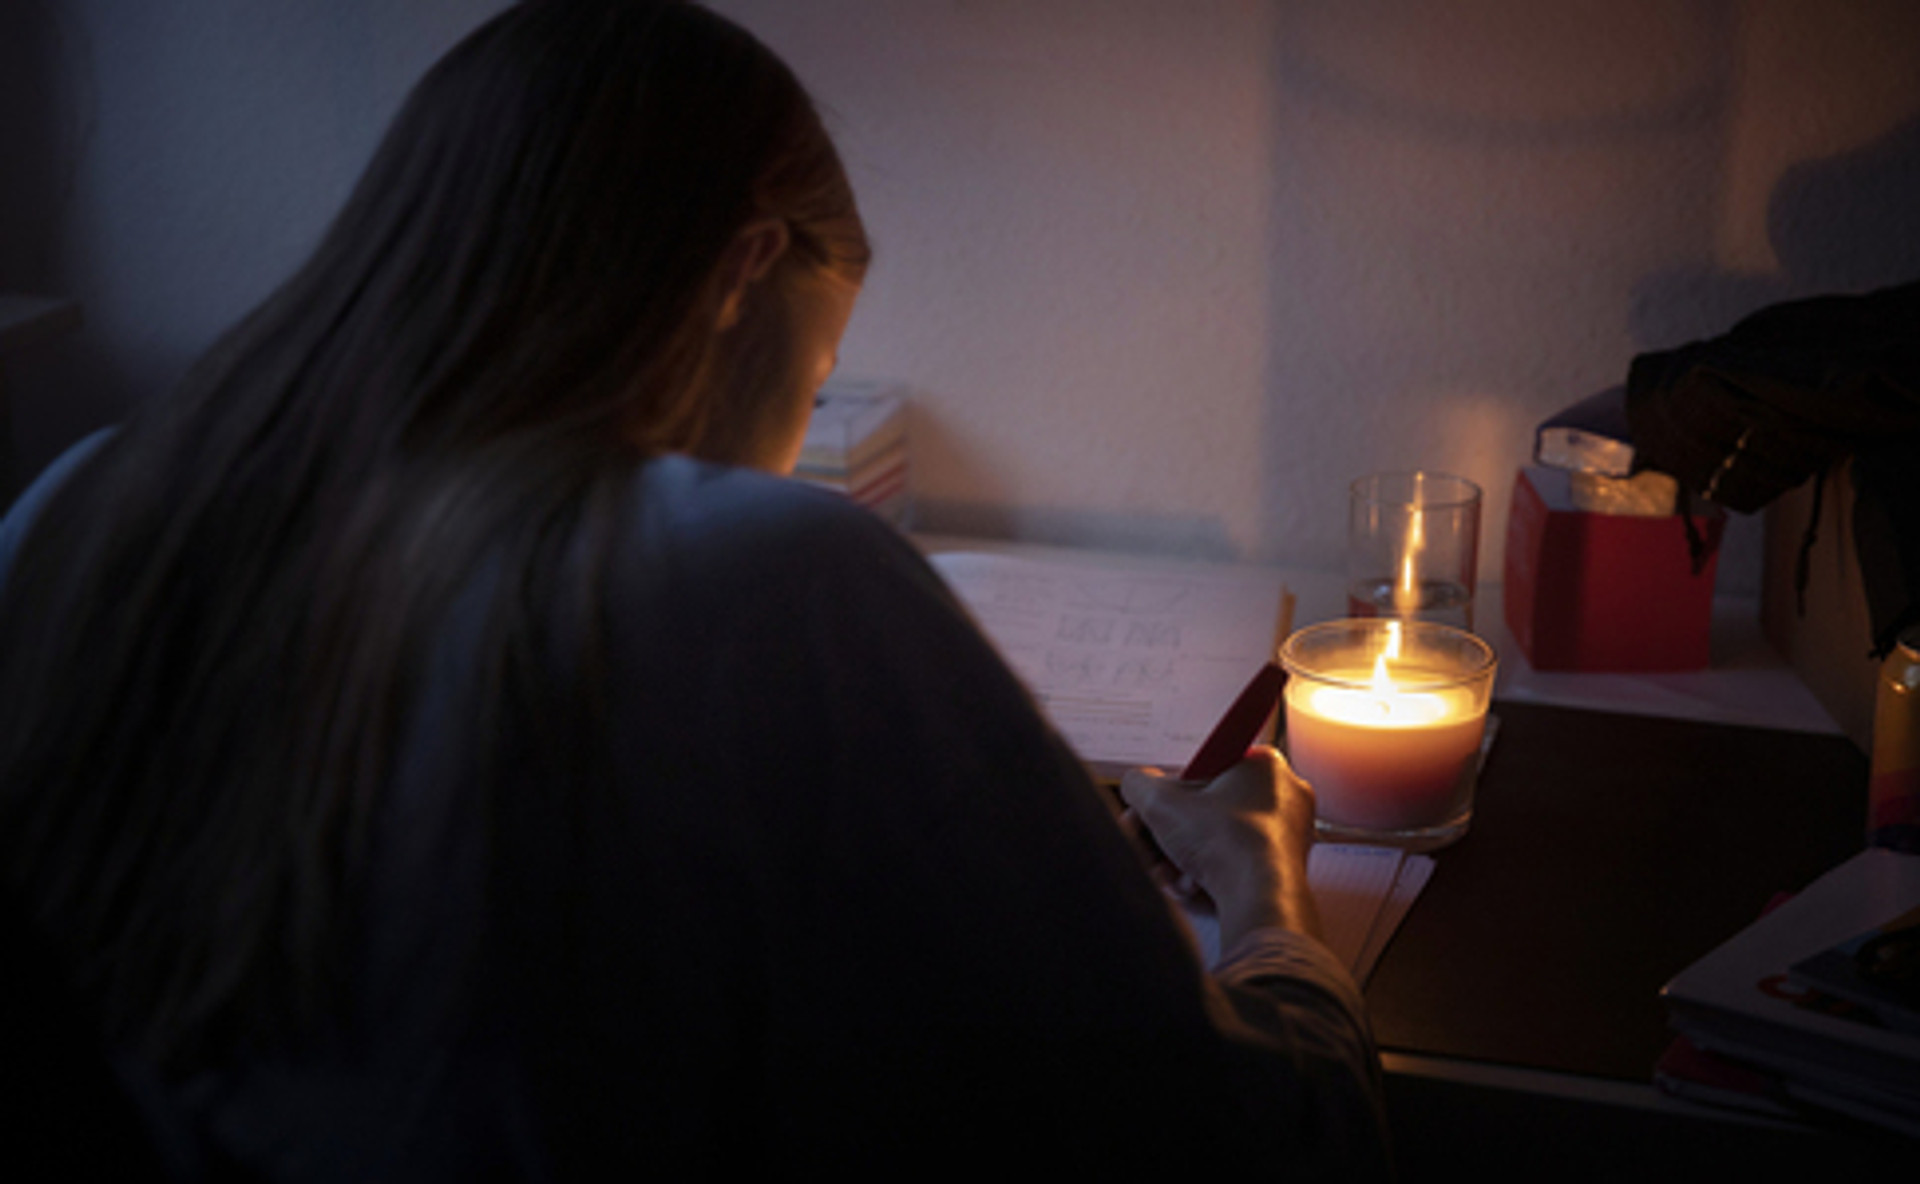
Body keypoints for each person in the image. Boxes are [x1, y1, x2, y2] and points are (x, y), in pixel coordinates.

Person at [0, 1, 1390, 1177]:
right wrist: (1266, 900)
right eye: (819, 371)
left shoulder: (71, 510)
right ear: (743, 273)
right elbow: (1239, 1139)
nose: (798, 431)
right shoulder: (755, 572)